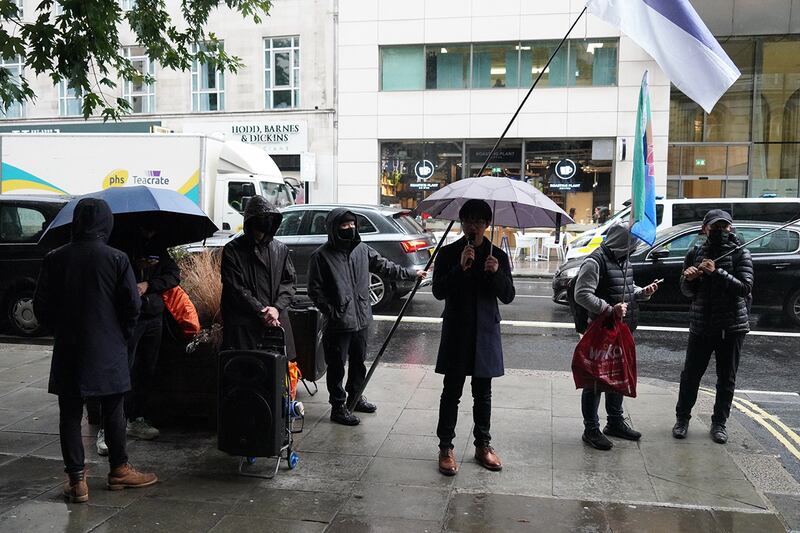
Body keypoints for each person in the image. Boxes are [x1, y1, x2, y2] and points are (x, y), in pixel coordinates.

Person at [34, 198, 157, 503]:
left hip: (69, 348)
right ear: (106, 222)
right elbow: (133, 306)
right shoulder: (117, 259)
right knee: (114, 408)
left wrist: (60, 331)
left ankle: (77, 482)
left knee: (70, 414)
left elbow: (40, 307)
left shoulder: (55, 257)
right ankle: (119, 469)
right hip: (109, 347)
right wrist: (122, 336)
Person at [307, 209, 426, 426]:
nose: (350, 228)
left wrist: (411, 274)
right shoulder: (321, 256)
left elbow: (384, 266)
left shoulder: (362, 250)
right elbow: (315, 290)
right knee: (337, 366)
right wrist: (332, 311)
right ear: (334, 228)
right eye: (344, 225)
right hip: (338, 323)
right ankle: (338, 406)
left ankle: (356, 396)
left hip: (361, 317)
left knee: (358, 362)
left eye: (352, 224)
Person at [433, 200, 515, 476]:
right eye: (468, 220)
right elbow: (438, 292)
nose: (473, 226)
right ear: (461, 223)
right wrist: (460, 267)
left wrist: (496, 274)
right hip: (457, 330)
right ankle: (446, 447)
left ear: (486, 225)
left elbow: (508, 295)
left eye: (479, 221)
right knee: (451, 392)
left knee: (483, 394)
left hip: (485, 332)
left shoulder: (498, 256)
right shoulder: (447, 253)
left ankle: (483, 445)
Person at [574, 222, 658, 451]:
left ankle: (615, 422)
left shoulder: (623, 259)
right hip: (601, 330)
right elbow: (582, 294)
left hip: (621, 329)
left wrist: (641, 293)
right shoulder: (595, 261)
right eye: (632, 244)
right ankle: (590, 429)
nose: (634, 248)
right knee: (595, 380)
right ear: (623, 243)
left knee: (616, 374)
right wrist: (608, 309)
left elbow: (624, 286)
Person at [673, 209, 753, 444]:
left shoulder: (741, 254)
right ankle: (682, 419)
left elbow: (744, 288)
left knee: (726, 378)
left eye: (724, 226)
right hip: (701, 325)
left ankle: (719, 423)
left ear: (731, 228)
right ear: (704, 229)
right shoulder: (694, 252)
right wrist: (689, 279)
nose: (720, 230)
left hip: (732, 327)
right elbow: (687, 292)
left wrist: (717, 272)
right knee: (690, 376)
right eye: (715, 226)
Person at [111, 220, 180, 445]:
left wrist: (149, 284)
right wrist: (134, 277)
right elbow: (114, 277)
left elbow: (173, 276)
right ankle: (113, 423)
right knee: (124, 368)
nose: (151, 230)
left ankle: (137, 418)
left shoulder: (159, 247)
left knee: (147, 369)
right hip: (129, 317)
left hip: (153, 315)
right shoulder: (121, 244)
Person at [220, 195, 296, 354]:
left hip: (276, 323)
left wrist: (276, 308)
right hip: (244, 328)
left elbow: (288, 282)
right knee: (247, 372)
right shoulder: (233, 250)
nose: (261, 233)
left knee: (277, 373)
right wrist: (262, 311)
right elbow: (235, 288)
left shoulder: (280, 249)